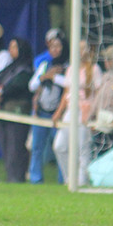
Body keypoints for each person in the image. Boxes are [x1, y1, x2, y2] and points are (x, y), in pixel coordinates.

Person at [52, 41, 102, 186]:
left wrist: (94, 114)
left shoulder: (94, 69)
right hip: (70, 110)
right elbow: (66, 92)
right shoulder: (71, 69)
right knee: (60, 146)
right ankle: (70, 178)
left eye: (82, 49)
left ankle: (81, 181)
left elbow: (98, 94)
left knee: (82, 148)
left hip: (85, 110)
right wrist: (58, 112)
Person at [28, 30, 69, 183]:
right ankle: (35, 178)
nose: (55, 50)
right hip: (42, 111)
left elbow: (69, 83)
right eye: (52, 47)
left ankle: (62, 178)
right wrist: (45, 76)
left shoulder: (67, 65)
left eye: (58, 46)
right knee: (37, 147)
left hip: (59, 112)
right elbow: (32, 85)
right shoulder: (45, 65)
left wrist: (55, 77)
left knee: (60, 147)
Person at [0, 37, 34, 182]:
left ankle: (17, 177)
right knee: (5, 144)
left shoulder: (26, 68)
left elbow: (19, 85)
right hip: (4, 109)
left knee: (15, 145)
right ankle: (10, 175)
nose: (11, 50)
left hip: (17, 110)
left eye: (15, 47)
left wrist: (2, 93)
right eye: (10, 47)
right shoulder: (9, 68)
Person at [89, 44, 113, 156]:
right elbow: (98, 99)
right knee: (99, 152)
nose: (106, 62)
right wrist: (91, 115)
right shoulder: (105, 76)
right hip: (101, 120)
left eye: (109, 59)